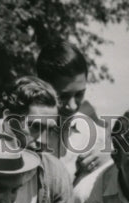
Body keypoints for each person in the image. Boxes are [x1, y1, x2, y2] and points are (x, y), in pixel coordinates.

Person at [35, 40, 111, 183]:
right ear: (42, 87)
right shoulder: (20, 135)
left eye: (79, 94)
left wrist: (112, 160)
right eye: (62, 96)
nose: (72, 105)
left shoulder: (99, 140)